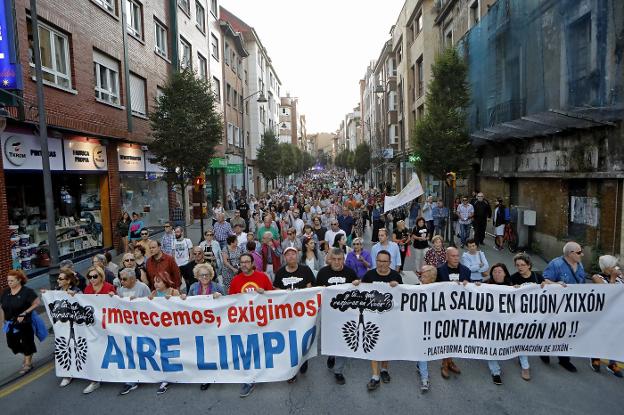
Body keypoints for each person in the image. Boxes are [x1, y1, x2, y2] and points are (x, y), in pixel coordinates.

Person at [228, 252, 273, 397]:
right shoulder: (235, 280)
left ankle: (273, 373)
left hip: (262, 321)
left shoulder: (262, 277)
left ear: (253, 263)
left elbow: (274, 298)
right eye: (242, 262)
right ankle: (249, 380)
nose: (244, 264)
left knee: (264, 349)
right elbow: (230, 302)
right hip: (244, 323)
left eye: (247, 262)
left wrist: (264, 293)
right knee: (248, 351)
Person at [357, 250, 402, 391]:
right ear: (376, 261)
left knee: (386, 344)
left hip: (390, 318)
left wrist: (398, 287)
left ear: (390, 262)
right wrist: (356, 284)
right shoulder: (369, 275)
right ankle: (375, 376)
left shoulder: (396, 276)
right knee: (374, 344)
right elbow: (361, 293)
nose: (382, 264)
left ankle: (384, 370)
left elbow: (403, 297)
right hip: (373, 318)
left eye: (385, 261)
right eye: (379, 261)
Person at [315, 248, 359, 384]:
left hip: (345, 314)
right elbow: (316, 292)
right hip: (327, 313)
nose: (336, 262)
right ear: (329, 259)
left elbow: (357, 293)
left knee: (343, 340)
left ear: (343, 260)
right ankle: (331, 354)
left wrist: (357, 284)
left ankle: (338, 371)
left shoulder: (350, 273)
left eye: (339, 259)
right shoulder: (322, 272)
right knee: (329, 337)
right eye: (333, 259)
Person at [541, 241, 585, 372]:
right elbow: (545, 281)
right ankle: (544, 351)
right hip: (556, 305)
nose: (581, 254)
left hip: (573, 305)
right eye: (579, 252)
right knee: (553, 330)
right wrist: (556, 284)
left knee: (567, 332)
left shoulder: (580, 265)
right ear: (570, 253)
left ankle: (564, 359)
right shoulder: (556, 264)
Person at [273, 246, 315, 383]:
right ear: (285, 258)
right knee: (289, 342)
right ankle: (291, 372)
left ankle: (302, 361)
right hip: (286, 314)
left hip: (303, 314)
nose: (291, 257)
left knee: (302, 340)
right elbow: (277, 291)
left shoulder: (305, 270)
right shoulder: (280, 273)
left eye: (293, 254)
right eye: (288, 255)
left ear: (297, 256)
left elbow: (310, 290)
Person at [114, 267, 150, 395]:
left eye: (124, 279)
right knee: (130, 351)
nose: (122, 282)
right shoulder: (121, 289)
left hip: (141, 327)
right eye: (120, 279)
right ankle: (132, 380)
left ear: (133, 278)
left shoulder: (143, 288)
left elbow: (151, 305)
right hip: (127, 327)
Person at [81, 266, 115, 394]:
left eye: (95, 276)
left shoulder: (108, 288)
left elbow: (116, 306)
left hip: (107, 325)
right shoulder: (87, 289)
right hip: (93, 326)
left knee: (109, 350)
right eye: (90, 277)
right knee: (94, 351)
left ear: (101, 276)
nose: (92, 279)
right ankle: (95, 380)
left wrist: (113, 297)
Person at [1, 270, 41, 376]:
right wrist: (3, 321)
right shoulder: (6, 292)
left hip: (24, 321)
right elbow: (2, 307)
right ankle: (28, 353)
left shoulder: (27, 292)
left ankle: (28, 363)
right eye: (8, 280)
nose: (9, 283)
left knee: (27, 341)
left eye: (12, 281)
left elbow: (37, 303)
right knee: (12, 344)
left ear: (19, 280)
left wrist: (25, 312)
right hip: (10, 322)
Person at [589, 255, 623, 377]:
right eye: (613, 266)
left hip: (618, 314)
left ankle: (612, 363)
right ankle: (595, 357)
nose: (615, 268)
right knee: (600, 336)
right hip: (603, 314)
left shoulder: (621, 277)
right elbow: (608, 294)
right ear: (606, 268)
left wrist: (619, 276)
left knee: (615, 338)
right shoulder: (597, 277)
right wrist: (613, 278)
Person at [510, 252, 542, 381]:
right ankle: (525, 367)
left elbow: (549, 287)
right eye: (517, 265)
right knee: (522, 338)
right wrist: (512, 289)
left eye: (523, 265)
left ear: (529, 266)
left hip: (535, 314)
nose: (520, 268)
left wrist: (558, 285)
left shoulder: (537, 277)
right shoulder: (513, 278)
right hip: (519, 315)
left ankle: (521, 355)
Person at [148, 271, 180, 395]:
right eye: (154, 281)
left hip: (173, 328)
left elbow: (183, 308)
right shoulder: (154, 293)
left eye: (158, 281)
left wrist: (173, 300)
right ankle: (167, 376)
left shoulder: (174, 292)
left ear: (166, 281)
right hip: (160, 329)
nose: (155, 284)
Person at [484, 263, 513, 385]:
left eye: (499, 271)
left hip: (507, 320)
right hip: (490, 321)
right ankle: (495, 371)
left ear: (505, 273)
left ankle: (525, 366)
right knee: (491, 345)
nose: (496, 274)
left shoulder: (512, 285)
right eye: (494, 271)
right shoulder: (486, 283)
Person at [416, 265, 438, 391]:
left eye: (424, 274)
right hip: (413, 324)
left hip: (428, 327)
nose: (420, 276)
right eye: (421, 274)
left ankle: (425, 378)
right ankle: (419, 365)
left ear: (432, 277)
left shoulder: (438, 289)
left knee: (422, 350)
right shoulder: (412, 287)